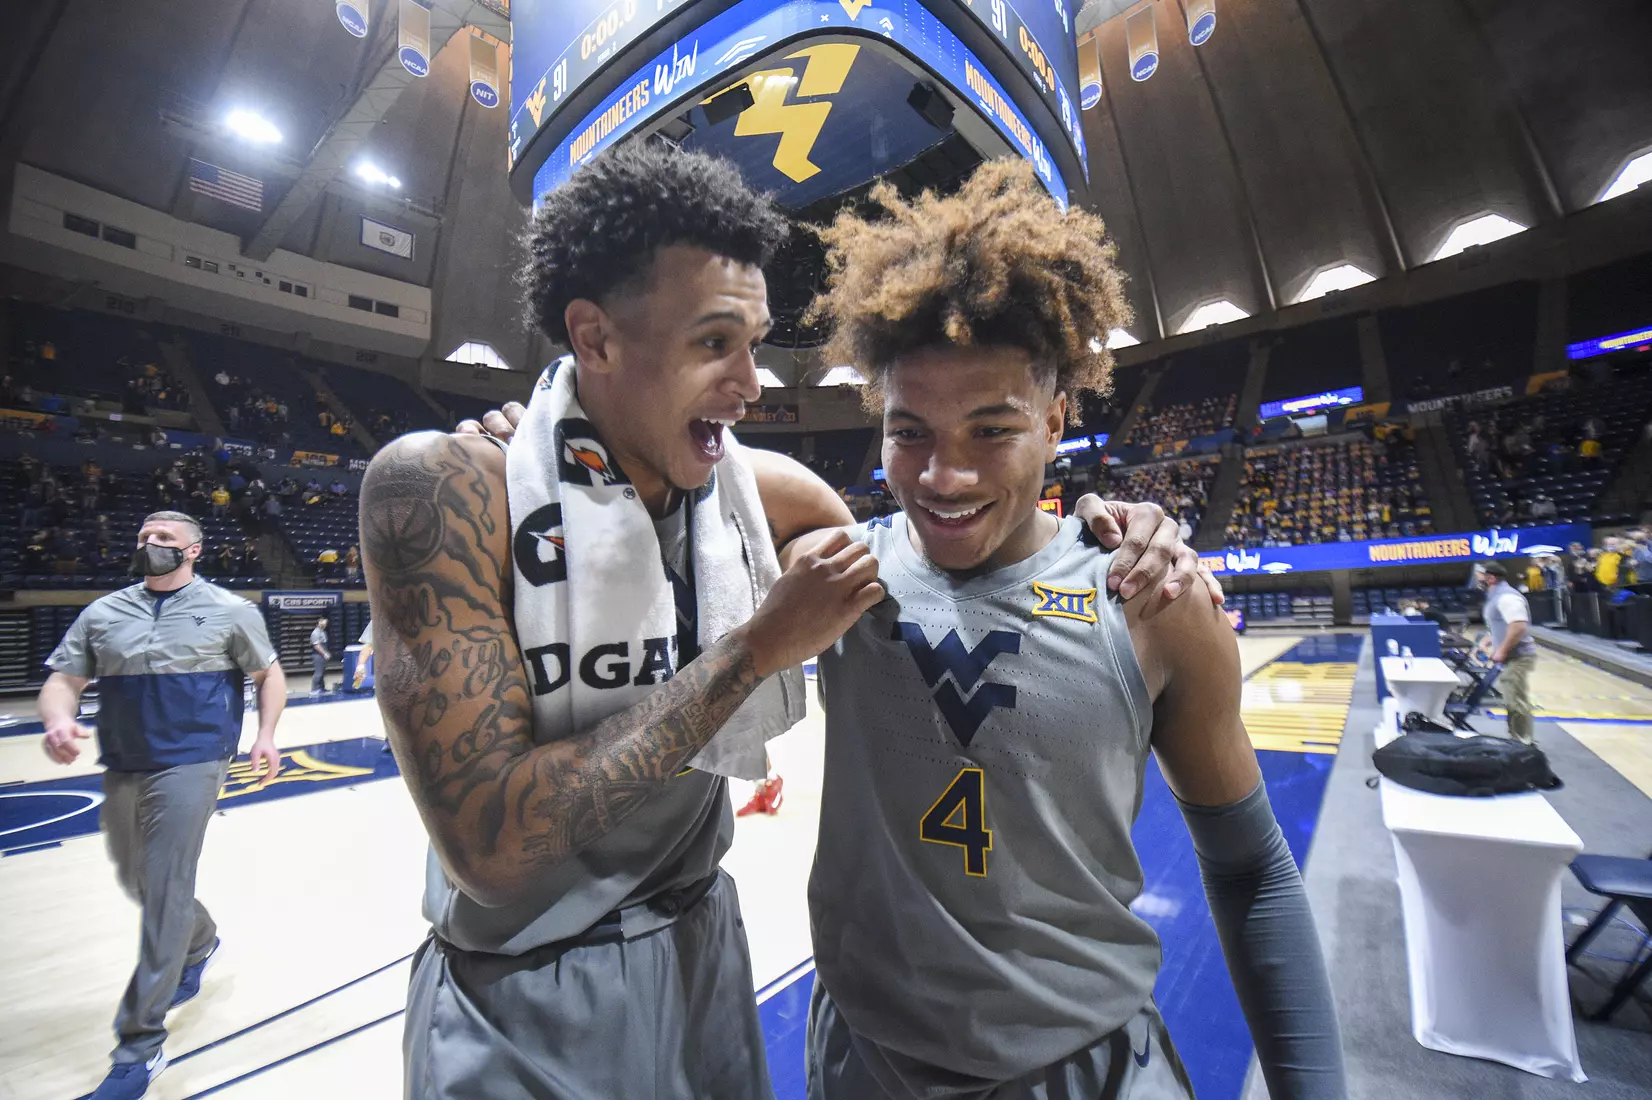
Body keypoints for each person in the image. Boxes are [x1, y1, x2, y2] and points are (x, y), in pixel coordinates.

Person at [363, 143, 1216, 1100]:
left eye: (756, 343)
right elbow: (489, 851)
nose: (754, 382)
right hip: (519, 985)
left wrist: (1118, 526)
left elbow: (952, 552)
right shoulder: (449, 490)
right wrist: (756, 650)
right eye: (714, 343)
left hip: (701, 954)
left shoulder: (764, 496)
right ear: (594, 339)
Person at [792, 158, 1343, 1098]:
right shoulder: (837, 573)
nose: (944, 476)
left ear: (1054, 422)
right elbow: (684, 473)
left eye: (991, 431)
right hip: (860, 1066)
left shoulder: (1153, 599)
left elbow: (1252, 870)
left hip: (1081, 1072)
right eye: (910, 431)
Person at [39, 511, 286, 1099]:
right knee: (138, 880)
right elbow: (62, 681)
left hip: (195, 758)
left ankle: (139, 1046)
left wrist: (266, 735)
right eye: (144, 536)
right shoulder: (104, 612)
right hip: (125, 758)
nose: (151, 544)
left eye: (164, 539)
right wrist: (57, 720)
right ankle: (199, 942)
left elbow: (268, 675)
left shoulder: (229, 610)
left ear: (193, 550)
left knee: (165, 890)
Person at [1475, 561, 1537, 744]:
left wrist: (1501, 650)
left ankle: (1523, 742)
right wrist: (1488, 639)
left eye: (1481, 576)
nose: (1478, 580)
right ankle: (1516, 738)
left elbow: (1518, 626)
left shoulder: (1507, 597)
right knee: (1511, 698)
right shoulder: (1496, 596)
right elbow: (1501, 624)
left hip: (1519, 656)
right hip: (1511, 657)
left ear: (1491, 578)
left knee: (1515, 700)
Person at [309, 616, 330, 694]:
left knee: (322, 672)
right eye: (323, 623)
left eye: (326, 623)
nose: (325, 624)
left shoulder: (322, 632)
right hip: (318, 655)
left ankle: (321, 688)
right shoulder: (315, 633)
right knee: (318, 672)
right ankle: (314, 689)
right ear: (318, 623)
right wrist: (324, 653)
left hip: (322, 654)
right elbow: (316, 646)